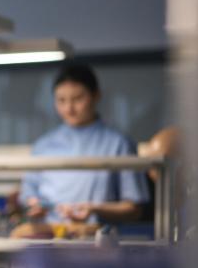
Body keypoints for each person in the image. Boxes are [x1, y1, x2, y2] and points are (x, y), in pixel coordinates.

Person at [18, 64, 150, 225]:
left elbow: (134, 209)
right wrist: (33, 204)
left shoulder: (119, 144)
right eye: (61, 100)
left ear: (96, 96)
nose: (69, 108)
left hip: (96, 239)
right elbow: (28, 194)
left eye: (78, 99)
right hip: (49, 236)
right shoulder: (43, 145)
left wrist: (95, 210)